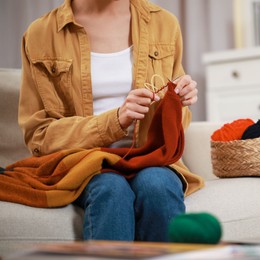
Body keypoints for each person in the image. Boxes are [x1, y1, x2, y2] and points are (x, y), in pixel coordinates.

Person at [18, 0, 203, 242]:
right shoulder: (41, 34)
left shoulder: (163, 23)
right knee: (110, 189)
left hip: (152, 159)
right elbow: (39, 135)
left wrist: (179, 100)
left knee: (157, 186)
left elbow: (175, 127)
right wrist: (116, 119)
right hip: (83, 163)